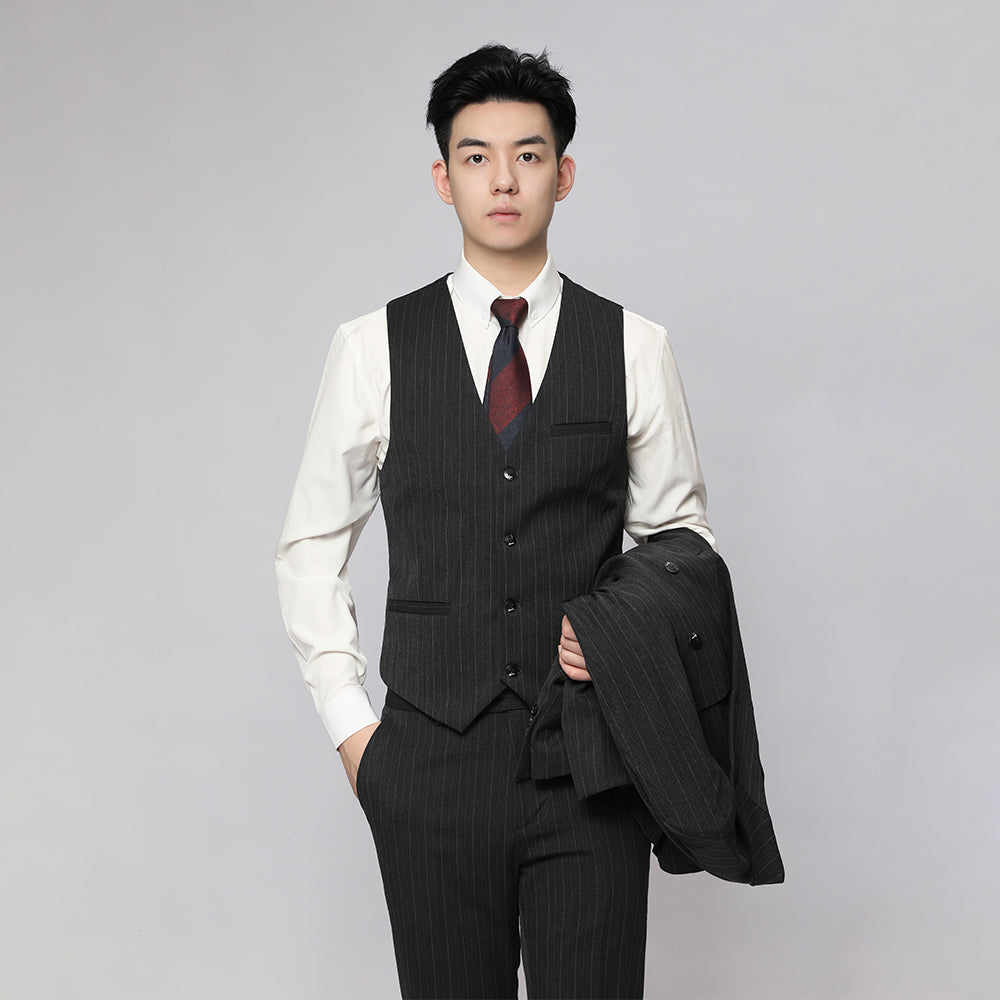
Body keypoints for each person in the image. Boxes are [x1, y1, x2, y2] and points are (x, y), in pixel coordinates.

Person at [276, 44, 719, 999]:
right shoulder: (373, 348)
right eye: (477, 157)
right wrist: (358, 739)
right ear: (445, 179)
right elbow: (310, 551)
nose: (504, 179)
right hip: (427, 766)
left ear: (564, 173)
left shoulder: (636, 346)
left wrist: (624, 629)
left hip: (593, 766)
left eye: (528, 154)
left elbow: (684, 552)